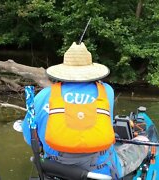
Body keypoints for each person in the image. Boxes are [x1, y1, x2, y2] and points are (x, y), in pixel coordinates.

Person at [21, 42, 148, 179]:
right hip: (101, 173)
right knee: (143, 140)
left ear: (64, 70)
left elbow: (30, 138)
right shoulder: (106, 91)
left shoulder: (43, 95)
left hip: (55, 171)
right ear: (91, 70)